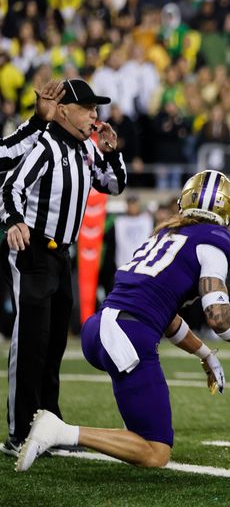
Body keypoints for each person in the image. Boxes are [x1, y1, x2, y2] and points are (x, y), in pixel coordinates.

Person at [15, 170, 230, 472]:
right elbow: (219, 317)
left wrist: (204, 354)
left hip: (99, 329)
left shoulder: (165, 233)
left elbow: (164, 316)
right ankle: (59, 431)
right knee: (155, 452)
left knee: (142, 433)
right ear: (227, 209)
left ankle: (132, 425)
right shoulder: (216, 239)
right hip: (127, 337)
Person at [0, 78, 125, 457]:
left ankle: (48, 424)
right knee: (31, 341)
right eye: (87, 108)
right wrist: (14, 221)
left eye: (97, 109)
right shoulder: (45, 145)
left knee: (54, 343)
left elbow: (114, 185)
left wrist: (111, 151)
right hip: (33, 250)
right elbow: (10, 188)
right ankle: (19, 432)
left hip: (60, 255)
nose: (95, 115)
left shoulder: (86, 150)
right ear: (64, 110)